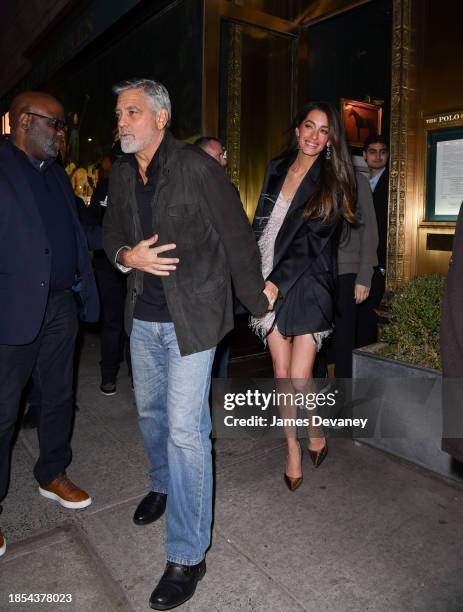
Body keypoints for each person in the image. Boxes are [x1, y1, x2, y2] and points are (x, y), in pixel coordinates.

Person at [103, 78, 273, 610]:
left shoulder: (198, 169)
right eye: (119, 113)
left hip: (192, 320)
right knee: (152, 417)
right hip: (144, 318)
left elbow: (237, 238)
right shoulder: (123, 172)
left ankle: (186, 554)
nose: (122, 121)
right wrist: (128, 256)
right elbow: (110, 235)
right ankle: (163, 483)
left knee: (185, 430)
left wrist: (261, 306)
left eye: (131, 112)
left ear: (161, 118)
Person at [0, 91, 99, 558]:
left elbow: (79, 231)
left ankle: (51, 473)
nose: (62, 134)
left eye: (62, 127)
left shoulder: (58, 176)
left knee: (60, 396)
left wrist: (123, 248)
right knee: (3, 411)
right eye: (55, 125)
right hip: (11, 309)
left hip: (61, 305)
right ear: (23, 121)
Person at [251, 101, 357, 490]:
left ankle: (316, 429)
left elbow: (312, 241)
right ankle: (292, 448)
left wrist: (276, 283)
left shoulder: (331, 180)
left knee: (299, 375)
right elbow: (260, 224)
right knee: (282, 374)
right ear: (297, 129)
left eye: (323, 130)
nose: (313, 135)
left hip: (308, 282)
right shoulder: (277, 168)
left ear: (330, 139)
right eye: (308, 127)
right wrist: (252, 272)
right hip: (267, 274)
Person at [77, 156, 132, 395]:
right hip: (108, 266)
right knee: (113, 323)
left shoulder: (143, 185)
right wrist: (114, 243)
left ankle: (137, 378)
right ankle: (108, 375)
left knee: (134, 324)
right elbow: (89, 223)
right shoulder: (104, 188)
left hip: (136, 267)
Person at [334, 172, 378, 378]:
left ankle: (343, 400)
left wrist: (364, 275)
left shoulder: (357, 180)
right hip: (313, 273)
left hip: (346, 273)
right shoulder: (309, 173)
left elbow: (369, 229)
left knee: (344, 341)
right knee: (313, 342)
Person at [195, 136, 231, 378]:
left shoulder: (230, 190)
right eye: (220, 156)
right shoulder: (183, 190)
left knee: (221, 350)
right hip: (194, 288)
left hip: (221, 285)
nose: (225, 161)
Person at [356, 134, 389, 346]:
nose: (378, 156)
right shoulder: (360, 182)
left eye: (382, 152)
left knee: (370, 319)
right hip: (361, 260)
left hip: (380, 261)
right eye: (372, 151)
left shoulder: (391, 184)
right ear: (364, 155)